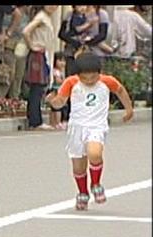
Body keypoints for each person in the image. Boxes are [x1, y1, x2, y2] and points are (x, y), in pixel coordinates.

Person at [45, 53, 133, 211]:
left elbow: (120, 91)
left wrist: (129, 109)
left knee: (95, 153)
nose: (90, 81)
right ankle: (83, 193)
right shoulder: (71, 82)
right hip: (77, 127)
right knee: (78, 167)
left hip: (96, 125)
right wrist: (52, 101)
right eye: (85, 78)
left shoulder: (107, 81)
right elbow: (60, 102)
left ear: (99, 73)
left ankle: (96, 183)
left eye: (93, 77)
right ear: (78, 75)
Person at [22, 5, 58, 131]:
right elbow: (26, 31)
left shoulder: (47, 17)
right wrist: (32, 45)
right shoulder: (41, 17)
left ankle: (34, 119)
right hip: (38, 54)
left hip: (44, 54)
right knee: (36, 88)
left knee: (38, 88)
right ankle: (35, 121)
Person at [49, 51, 67, 130]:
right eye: (60, 60)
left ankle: (53, 123)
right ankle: (57, 122)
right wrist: (65, 81)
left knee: (54, 108)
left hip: (58, 90)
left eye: (64, 61)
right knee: (57, 108)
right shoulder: (56, 71)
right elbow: (58, 81)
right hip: (56, 91)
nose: (62, 63)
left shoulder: (61, 71)